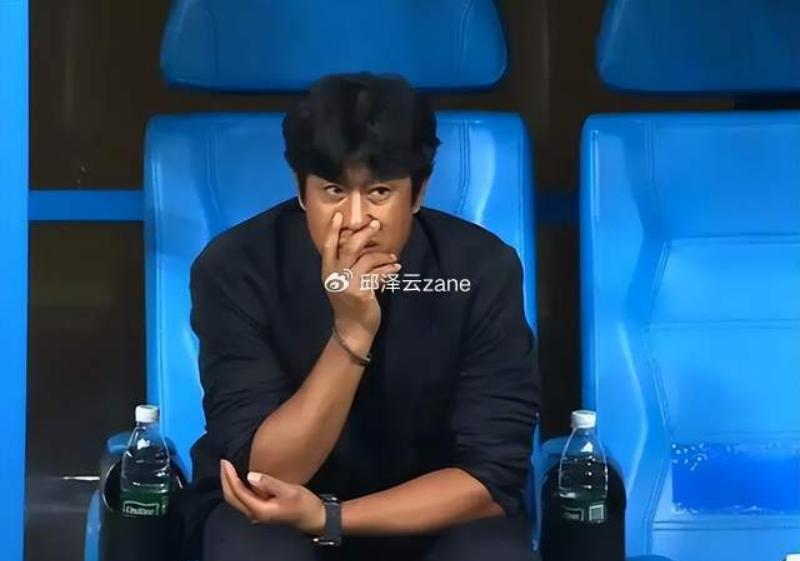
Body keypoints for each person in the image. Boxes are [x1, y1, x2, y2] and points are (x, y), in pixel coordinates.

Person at [177, 72, 541, 561]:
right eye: (332, 190)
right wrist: (351, 332)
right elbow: (267, 473)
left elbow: (491, 478)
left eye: (379, 193)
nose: (354, 220)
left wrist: (331, 518)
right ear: (300, 190)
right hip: (273, 514)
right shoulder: (236, 268)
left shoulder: (480, 270)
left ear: (418, 193)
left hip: (431, 515)